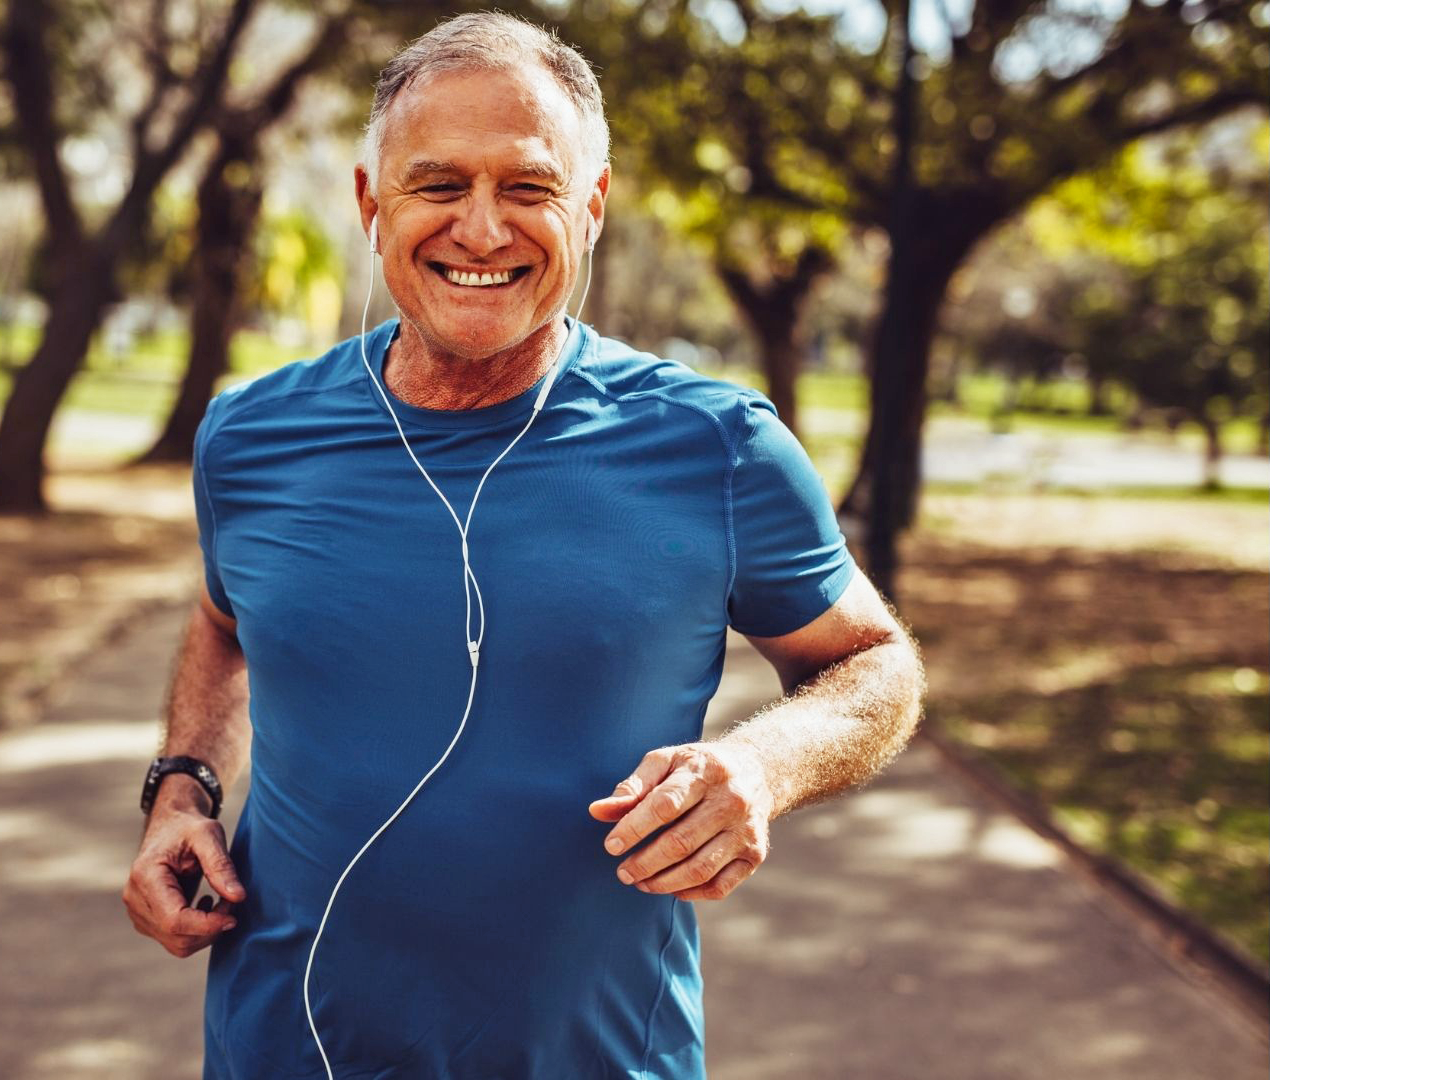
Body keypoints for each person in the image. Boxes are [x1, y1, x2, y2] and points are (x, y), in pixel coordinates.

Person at [122, 13, 924, 1079]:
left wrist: (759, 766)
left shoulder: (719, 445)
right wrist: (183, 790)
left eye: (530, 188)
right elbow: (225, 622)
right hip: (279, 1045)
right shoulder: (251, 436)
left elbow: (876, 664)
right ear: (372, 203)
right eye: (439, 184)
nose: (484, 230)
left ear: (590, 209)